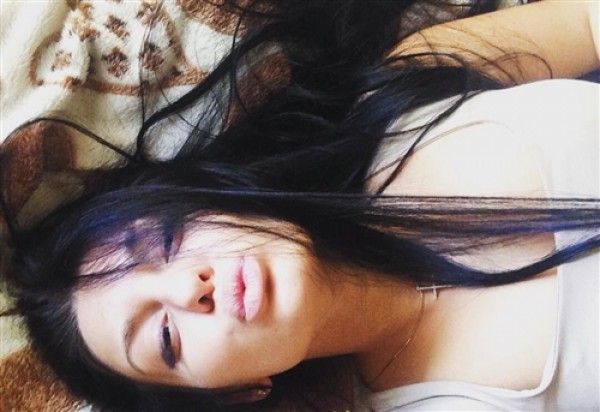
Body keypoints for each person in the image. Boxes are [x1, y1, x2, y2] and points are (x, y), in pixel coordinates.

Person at [2, 0, 599, 411]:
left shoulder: (402, 92)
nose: (189, 288)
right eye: (165, 338)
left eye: (164, 241)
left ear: (210, 200)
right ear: (239, 392)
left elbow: (587, 22)